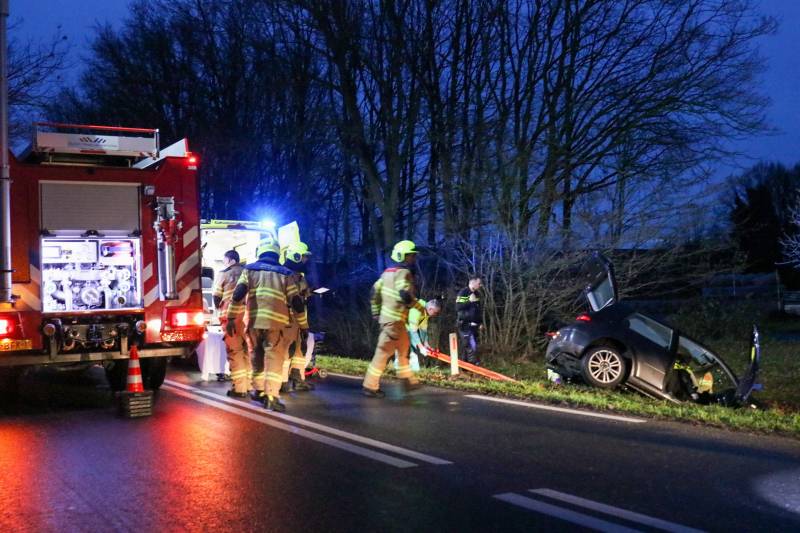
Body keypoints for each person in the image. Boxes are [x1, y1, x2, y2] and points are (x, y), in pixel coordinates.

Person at [226, 237, 301, 412]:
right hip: (275, 324)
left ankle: (258, 390)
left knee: (257, 355)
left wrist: (230, 318)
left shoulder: (249, 270)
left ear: (261, 251)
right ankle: (271, 396)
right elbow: (296, 301)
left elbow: (237, 295)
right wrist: (303, 325)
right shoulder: (285, 273)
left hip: (252, 322)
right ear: (276, 253)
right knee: (274, 358)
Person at [363, 240, 438, 397]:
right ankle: (370, 386)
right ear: (403, 256)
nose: (414, 259)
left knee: (403, 349)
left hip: (393, 322)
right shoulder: (403, 273)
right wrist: (420, 307)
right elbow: (405, 295)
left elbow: (373, 293)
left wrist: (376, 312)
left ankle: (407, 380)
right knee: (383, 353)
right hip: (394, 322)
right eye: (411, 255)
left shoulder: (386, 274)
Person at [212, 250, 250, 397]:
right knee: (248, 350)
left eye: (225, 259)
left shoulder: (224, 273)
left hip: (231, 318)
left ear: (230, 260)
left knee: (236, 351)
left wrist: (219, 310)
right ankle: (250, 385)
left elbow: (216, 296)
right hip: (249, 317)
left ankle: (239, 388)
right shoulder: (249, 272)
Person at [280, 241, 314, 393]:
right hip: (287, 318)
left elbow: (302, 293)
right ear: (296, 256)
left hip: (299, 318)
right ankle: (281, 381)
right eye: (304, 257)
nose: (306, 261)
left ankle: (297, 378)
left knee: (300, 348)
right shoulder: (283, 274)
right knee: (286, 349)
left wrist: (310, 292)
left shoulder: (299, 276)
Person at [399, 298, 441, 372]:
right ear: (430, 309)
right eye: (435, 312)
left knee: (412, 349)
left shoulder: (425, 312)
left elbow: (423, 328)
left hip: (407, 328)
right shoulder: (417, 310)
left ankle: (411, 371)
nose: (435, 315)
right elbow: (413, 331)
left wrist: (425, 343)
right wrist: (421, 347)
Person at [456, 276, 483, 365]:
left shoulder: (477, 294)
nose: (480, 285)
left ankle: (465, 367)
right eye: (479, 283)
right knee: (471, 345)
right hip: (464, 324)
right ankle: (473, 365)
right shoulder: (463, 292)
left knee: (466, 347)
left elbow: (478, 310)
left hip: (474, 325)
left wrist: (480, 322)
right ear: (473, 282)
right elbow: (458, 307)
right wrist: (469, 301)